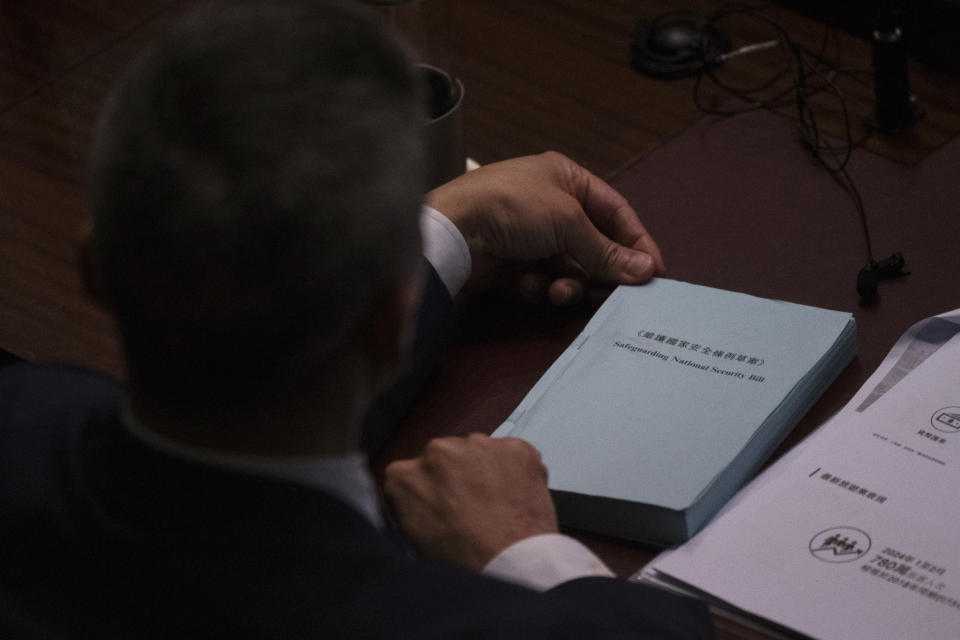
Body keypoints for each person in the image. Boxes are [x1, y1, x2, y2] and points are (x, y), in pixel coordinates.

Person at [0, 1, 711, 637]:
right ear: (391, 317)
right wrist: (527, 552)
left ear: (93, 268)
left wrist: (453, 221)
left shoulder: (23, 413)